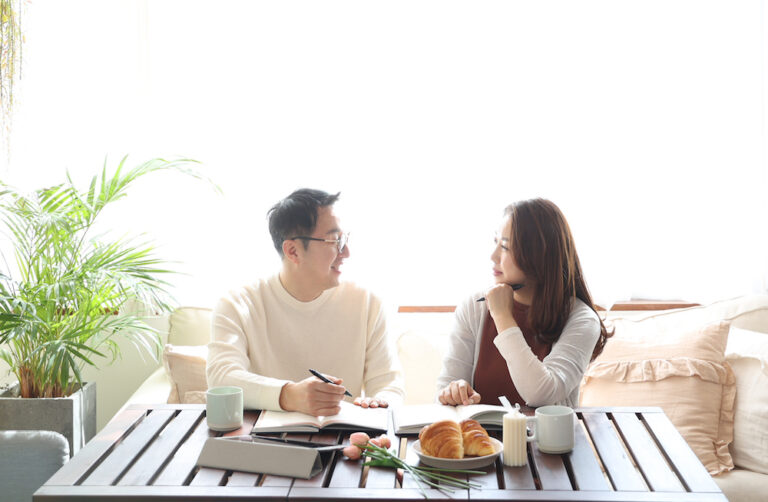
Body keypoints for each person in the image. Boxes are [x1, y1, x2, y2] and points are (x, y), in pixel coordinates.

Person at [207, 188, 404, 416]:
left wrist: (378, 404)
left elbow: (389, 385)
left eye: (344, 239)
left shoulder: (367, 302)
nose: (346, 252)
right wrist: (290, 395)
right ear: (293, 251)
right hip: (264, 443)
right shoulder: (238, 304)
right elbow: (221, 378)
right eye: (334, 241)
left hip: (344, 439)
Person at [436, 198, 611, 408]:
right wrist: (455, 392)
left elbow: (541, 394)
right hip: (483, 440)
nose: (493, 257)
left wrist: (502, 317)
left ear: (538, 255)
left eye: (505, 247)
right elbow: (444, 390)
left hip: (547, 441)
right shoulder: (474, 308)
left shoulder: (581, 320)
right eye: (495, 243)